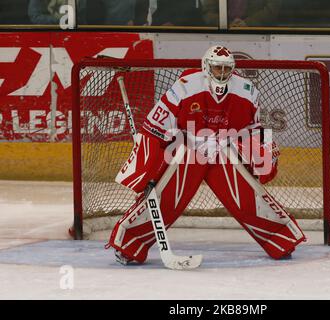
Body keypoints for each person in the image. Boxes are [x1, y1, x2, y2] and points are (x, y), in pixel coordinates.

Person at [106, 45, 306, 265]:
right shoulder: (185, 86)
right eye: (216, 68)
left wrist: (261, 159)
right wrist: (148, 170)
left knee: (249, 197)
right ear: (205, 66)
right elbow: (155, 127)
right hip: (187, 150)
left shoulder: (247, 91)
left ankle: (282, 239)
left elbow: (255, 130)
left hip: (224, 151)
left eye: (225, 69)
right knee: (166, 200)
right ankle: (128, 245)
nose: (221, 73)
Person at [202, 0, 282, 27]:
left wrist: (247, 23)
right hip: (221, 34)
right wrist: (227, 24)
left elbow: (272, 9)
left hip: (258, 32)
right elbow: (208, 13)